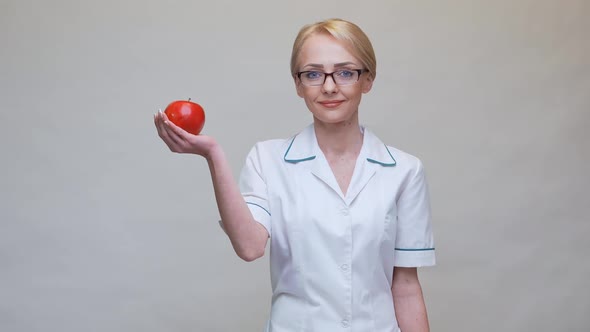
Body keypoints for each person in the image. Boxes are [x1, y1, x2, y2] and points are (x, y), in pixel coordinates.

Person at [154, 18, 435, 332]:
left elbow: (406, 287)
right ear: (298, 84)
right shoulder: (268, 159)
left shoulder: (405, 171)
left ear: (367, 79)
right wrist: (213, 155)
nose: (329, 86)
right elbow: (249, 247)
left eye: (345, 72)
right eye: (313, 74)